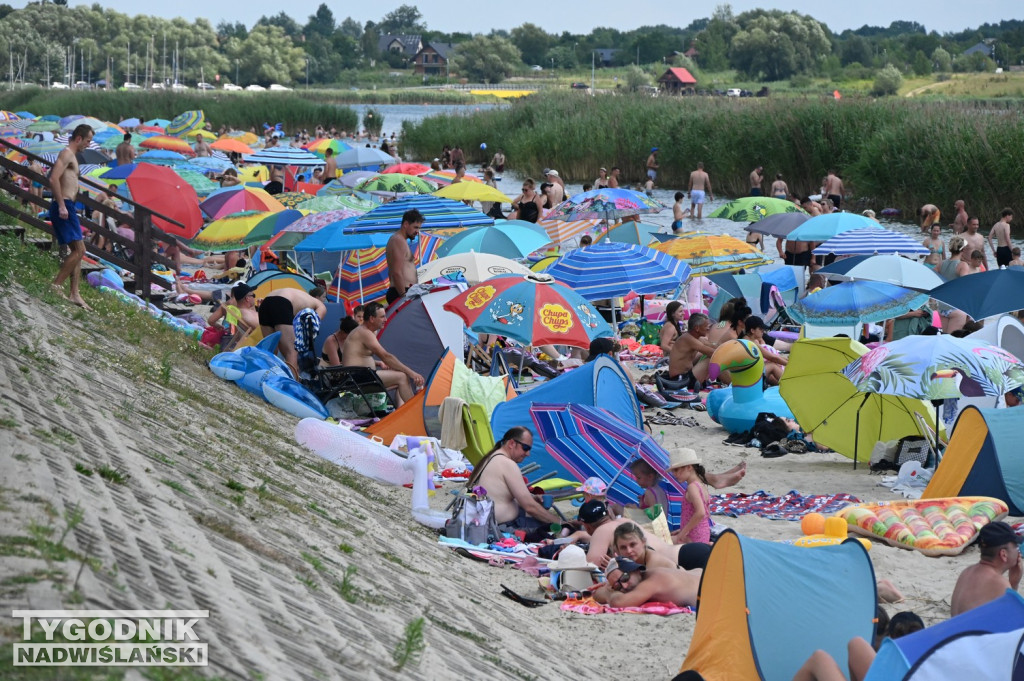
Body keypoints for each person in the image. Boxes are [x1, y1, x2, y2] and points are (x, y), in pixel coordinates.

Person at [465, 426, 560, 531]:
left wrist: (533, 498)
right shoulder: (507, 463)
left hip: (483, 523)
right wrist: (561, 523)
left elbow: (500, 494)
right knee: (549, 528)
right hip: (499, 527)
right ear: (511, 444)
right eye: (525, 448)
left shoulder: (491, 457)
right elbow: (530, 507)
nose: (528, 454)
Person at [341, 301, 424, 405]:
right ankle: (415, 410)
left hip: (363, 376)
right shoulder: (364, 332)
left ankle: (407, 410)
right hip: (356, 378)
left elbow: (359, 356)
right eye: (382, 317)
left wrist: (379, 363)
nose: (386, 319)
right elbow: (386, 356)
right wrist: (412, 373)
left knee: (401, 376)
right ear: (371, 319)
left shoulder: (371, 331)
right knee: (402, 377)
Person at [49, 123, 95, 310]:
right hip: (64, 206)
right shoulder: (67, 153)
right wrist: (61, 205)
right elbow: (53, 178)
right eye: (87, 140)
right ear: (79, 138)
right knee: (80, 251)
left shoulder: (72, 156)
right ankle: (56, 285)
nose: (88, 144)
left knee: (77, 251)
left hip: (68, 206)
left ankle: (75, 293)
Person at [951, 520, 1023, 617]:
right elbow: (1013, 620)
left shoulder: (967, 572)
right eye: (1017, 548)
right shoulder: (998, 583)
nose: (1019, 553)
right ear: (1004, 554)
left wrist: (1013, 582)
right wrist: (1013, 585)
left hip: (959, 631)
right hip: (973, 632)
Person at [257, 287, 328, 378]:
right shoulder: (321, 306)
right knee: (292, 351)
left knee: (270, 350)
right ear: (318, 298)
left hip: (266, 302)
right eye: (324, 297)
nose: (325, 299)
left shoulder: (302, 297)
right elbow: (312, 326)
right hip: (282, 302)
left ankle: (264, 377)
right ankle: (292, 384)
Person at [595, 557, 700, 608]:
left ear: (636, 569)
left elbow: (618, 603)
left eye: (625, 578)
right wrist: (610, 588)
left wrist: (609, 591)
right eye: (618, 586)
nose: (625, 586)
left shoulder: (654, 580)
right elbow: (596, 594)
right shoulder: (647, 575)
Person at [666, 448, 711, 545]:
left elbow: (701, 513)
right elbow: (707, 514)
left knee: (661, 544)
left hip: (694, 538)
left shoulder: (692, 487)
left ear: (689, 467)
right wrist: (683, 529)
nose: (674, 474)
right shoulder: (701, 485)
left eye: (676, 470)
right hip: (702, 534)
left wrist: (682, 534)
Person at [669, 313, 718, 390]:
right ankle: (731, 383)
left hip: (686, 375)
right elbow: (713, 352)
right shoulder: (688, 339)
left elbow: (713, 345)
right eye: (706, 326)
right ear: (697, 328)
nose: (708, 328)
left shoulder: (696, 338)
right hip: (679, 379)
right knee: (711, 359)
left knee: (707, 356)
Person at [384, 209, 424, 305]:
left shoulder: (399, 240)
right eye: (415, 227)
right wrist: (404, 297)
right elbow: (396, 272)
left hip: (403, 291)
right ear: (406, 224)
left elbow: (391, 272)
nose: (417, 231)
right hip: (401, 293)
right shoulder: (398, 240)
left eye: (419, 228)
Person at [207, 282, 259, 350]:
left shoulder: (232, 309)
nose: (254, 298)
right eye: (253, 295)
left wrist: (219, 326)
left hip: (232, 337)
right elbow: (262, 329)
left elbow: (211, 320)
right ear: (247, 298)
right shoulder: (247, 313)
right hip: (254, 344)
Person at [743, 315, 787, 385]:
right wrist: (789, 364)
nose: (763, 331)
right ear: (752, 330)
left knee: (771, 373)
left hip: (747, 373)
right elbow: (772, 357)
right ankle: (791, 385)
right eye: (760, 329)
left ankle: (785, 386)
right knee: (772, 366)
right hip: (747, 377)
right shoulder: (751, 343)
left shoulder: (750, 339)